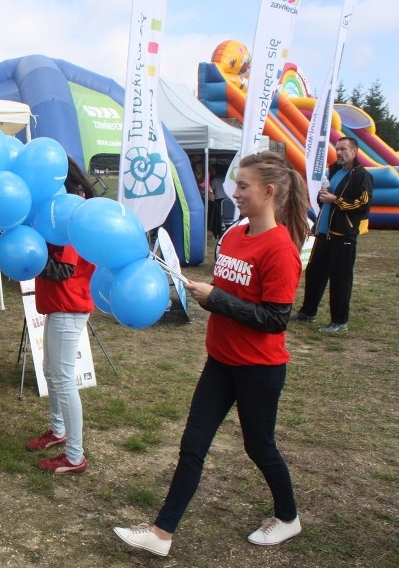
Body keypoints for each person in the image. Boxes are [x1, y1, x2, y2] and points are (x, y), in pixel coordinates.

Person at [113, 151, 309, 557]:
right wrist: (207, 294)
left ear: (268, 191)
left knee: (260, 447)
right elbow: (230, 294)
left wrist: (216, 298)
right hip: (220, 362)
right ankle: (161, 533)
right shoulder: (234, 236)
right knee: (193, 444)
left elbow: (275, 318)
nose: (233, 191)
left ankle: (288, 518)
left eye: (243, 185)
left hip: (259, 369)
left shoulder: (281, 250)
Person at [26, 157, 95, 474]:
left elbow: (64, 269)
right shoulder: (61, 207)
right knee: (50, 369)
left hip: (70, 303)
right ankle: (58, 431)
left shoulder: (69, 210)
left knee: (63, 378)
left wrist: (28, 258)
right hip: (60, 303)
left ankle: (75, 456)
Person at [290, 136, 372, 334]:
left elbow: (363, 204)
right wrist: (322, 197)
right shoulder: (334, 170)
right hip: (322, 232)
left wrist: (336, 199)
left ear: (354, 151)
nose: (340, 152)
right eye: (338, 149)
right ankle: (308, 312)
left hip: (344, 235)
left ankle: (339, 321)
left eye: (344, 149)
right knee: (314, 272)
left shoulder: (362, 175)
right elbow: (324, 198)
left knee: (340, 279)